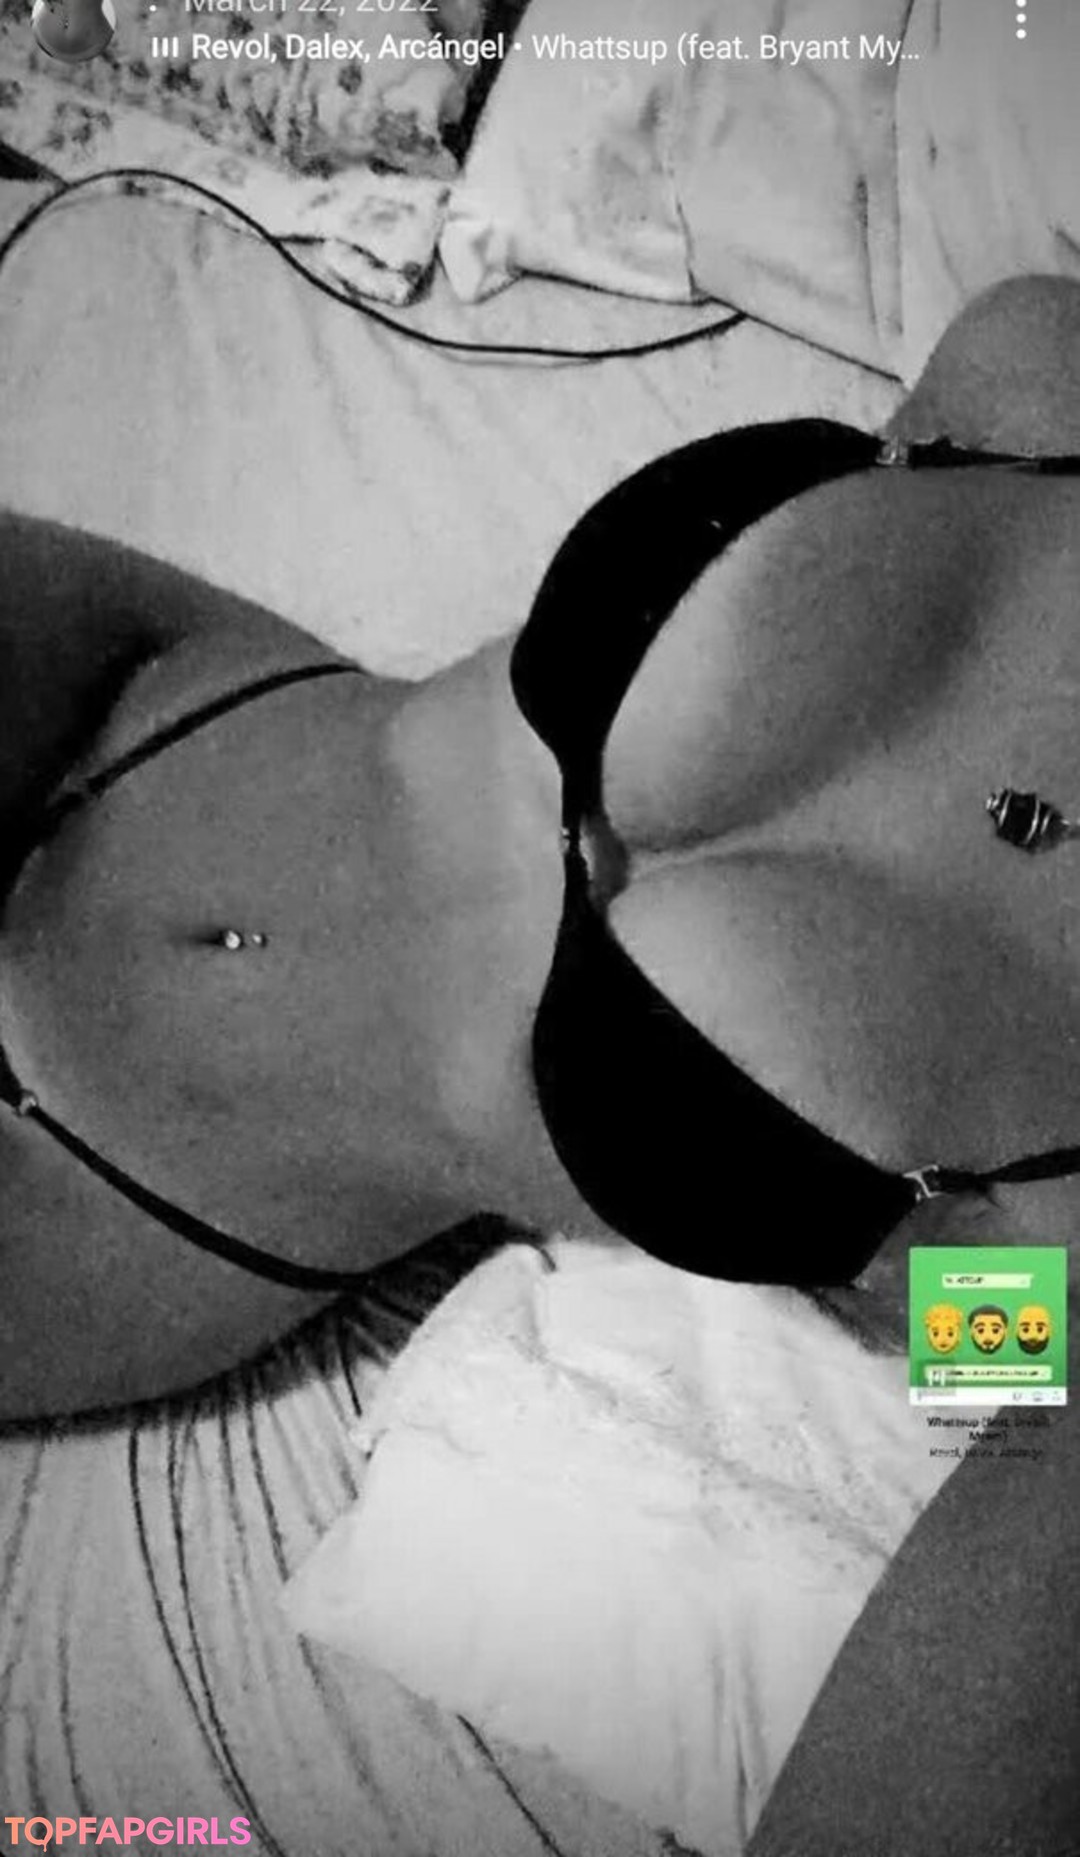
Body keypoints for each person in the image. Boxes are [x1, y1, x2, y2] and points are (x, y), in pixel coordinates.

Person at [3, 272, 1080, 1423]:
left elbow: (989, 1388)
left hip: (127, 1188)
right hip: (131, 700)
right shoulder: (1042, 381)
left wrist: (875, 1270)